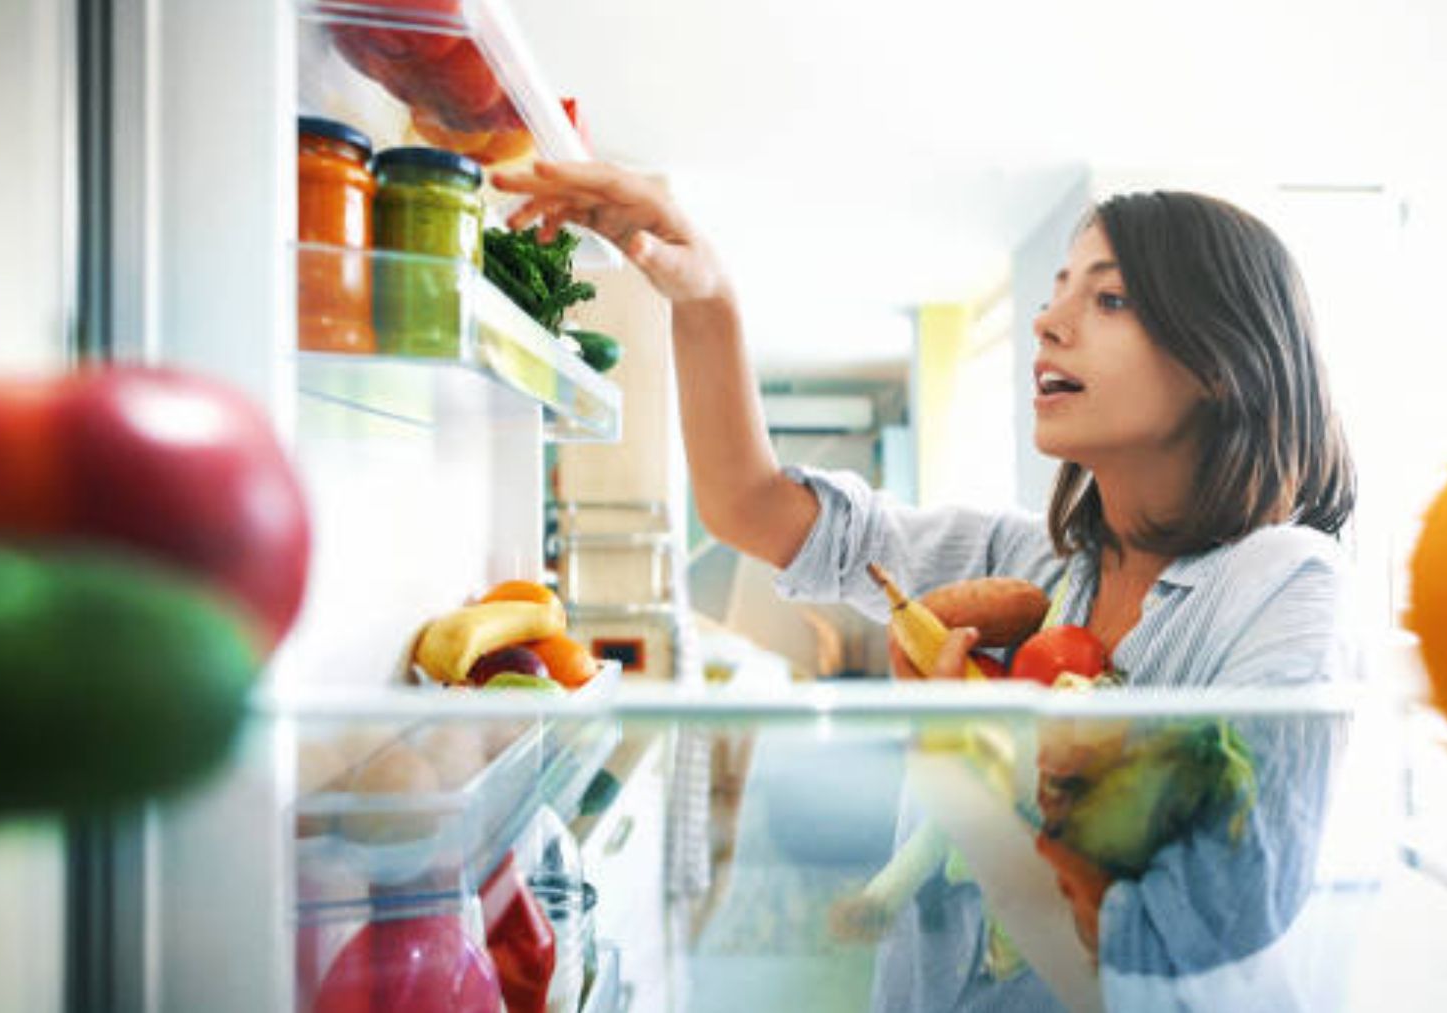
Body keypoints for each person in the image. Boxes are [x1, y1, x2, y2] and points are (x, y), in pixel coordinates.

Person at [495, 161, 1359, 1011]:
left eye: (1109, 298)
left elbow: (1169, 952)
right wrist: (704, 294)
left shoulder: (1284, 587)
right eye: (1058, 289)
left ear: (1221, 358)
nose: (1049, 321)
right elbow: (751, 506)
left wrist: (958, 760)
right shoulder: (1029, 565)